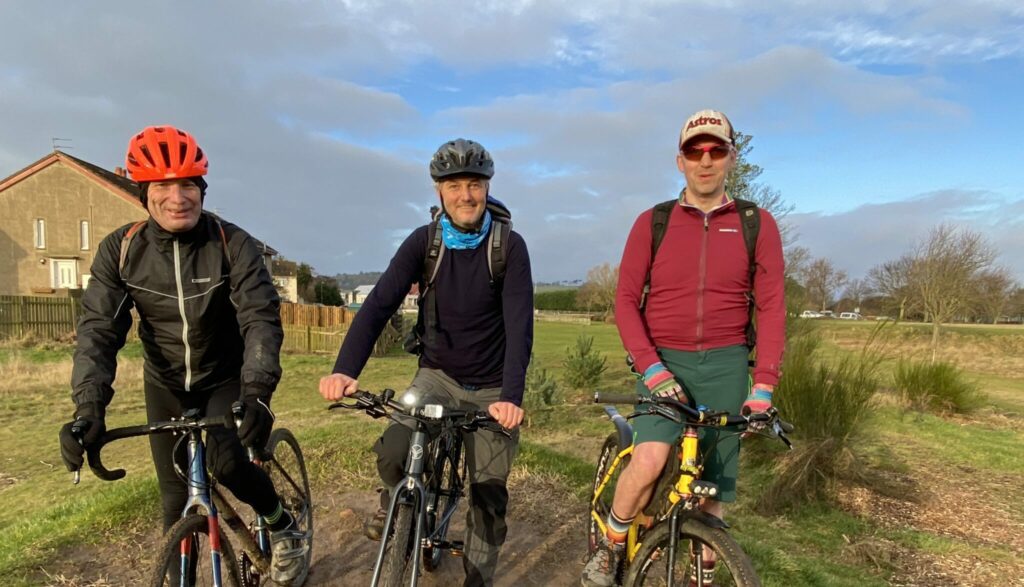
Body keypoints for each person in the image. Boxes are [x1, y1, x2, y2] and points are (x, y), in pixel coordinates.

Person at [58, 125, 305, 584]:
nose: (178, 197)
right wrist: (88, 409)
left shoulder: (232, 244)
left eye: (188, 183)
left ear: (202, 189)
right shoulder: (122, 250)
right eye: (164, 186)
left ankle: (282, 524)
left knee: (229, 465)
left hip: (225, 376)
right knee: (175, 503)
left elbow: (260, 319)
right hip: (166, 383)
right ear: (143, 193)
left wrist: (257, 392)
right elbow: (97, 332)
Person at [581, 110, 785, 587]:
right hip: (665, 362)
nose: (706, 160)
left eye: (716, 150)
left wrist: (764, 388)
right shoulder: (654, 222)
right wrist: (652, 369)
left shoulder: (757, 224)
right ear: (680, 161)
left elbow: (772, 308)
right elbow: (626, 302)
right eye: (695, 152)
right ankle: (611, 547)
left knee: (711, 492)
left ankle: (701, 576)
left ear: (731, 157)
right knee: (650, 460)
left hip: (728, 363)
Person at [319, 138, 533, 587]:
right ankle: (394, 498)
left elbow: (519, 327)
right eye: (454, 185)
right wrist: (345, 369)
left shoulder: (508, 247)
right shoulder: (424, 243)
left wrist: (511, 396)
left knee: (488, 496)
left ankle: (477, 580)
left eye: (474, 184)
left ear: (488, 187)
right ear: (438, 191)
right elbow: (377, 305)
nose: (465, 195)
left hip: (493, 386)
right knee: (395, 451)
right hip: (436, 375)